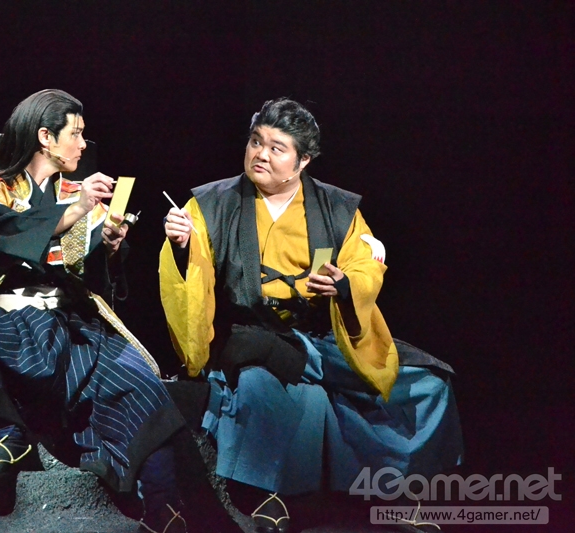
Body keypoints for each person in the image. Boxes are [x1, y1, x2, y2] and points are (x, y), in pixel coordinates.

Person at [159, 98, 463, 533]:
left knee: (427, 382)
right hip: (252, 337)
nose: (260, 154)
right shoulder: (210, 204)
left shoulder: (336, 208)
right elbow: (191, 274)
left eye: (276, 148)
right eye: (255, 142)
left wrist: (345, 286)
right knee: (260, 386)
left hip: (323, 338)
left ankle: (399, 494)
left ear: (303, 161)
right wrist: (182, 246)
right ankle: (267, 499)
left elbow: (365, 263)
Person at [0, 89, 187, 533]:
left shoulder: (78, 195)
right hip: (7, 319)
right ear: (45, 137)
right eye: (76, 134)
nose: (83, 144)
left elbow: (84, 272)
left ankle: (164, 509)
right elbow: (4, 239)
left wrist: (109, 248)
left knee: (141, 384)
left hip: (68, 324)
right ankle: (4, 440)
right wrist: (75, 210)